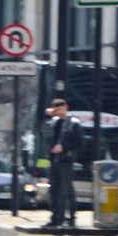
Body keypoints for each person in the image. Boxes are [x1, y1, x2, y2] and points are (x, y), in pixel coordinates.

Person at [46, 98, 82, 228]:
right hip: (54, 160)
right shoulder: (54, 122)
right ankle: (56, 219)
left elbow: (79, 142)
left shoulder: (74, 123)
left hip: (66, 161)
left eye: (60, 109)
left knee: (67, 191)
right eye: (56, 110)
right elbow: (44, 132)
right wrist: (47, 115)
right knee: (53, 191)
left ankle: (71, 219)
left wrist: (64, 147)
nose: (58, 112)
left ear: (66, 107)